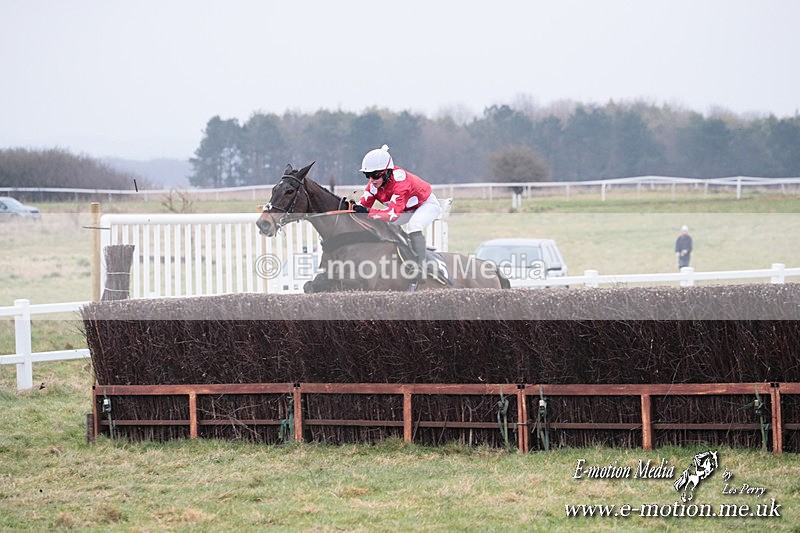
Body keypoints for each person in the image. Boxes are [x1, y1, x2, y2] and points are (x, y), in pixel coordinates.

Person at [352, 144, 442, 283]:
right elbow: (362, 207)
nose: (371, 180)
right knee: (380, 223)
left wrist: (368, 212)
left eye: (375, 175)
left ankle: (421, 267)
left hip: (425, 205)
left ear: (387, 172)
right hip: (405, 209)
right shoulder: (373, 186)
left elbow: (392, 214)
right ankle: (407, 248)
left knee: (414, 226)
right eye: (367, 175)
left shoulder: (401, 183)